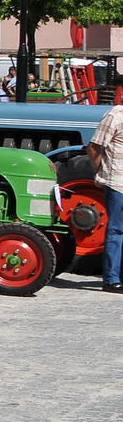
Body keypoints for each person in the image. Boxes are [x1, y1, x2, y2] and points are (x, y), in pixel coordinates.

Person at [86, 100, 123, 291]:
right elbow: (93, 147)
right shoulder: (115, 115)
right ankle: (112, 279)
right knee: (117, 230)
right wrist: (101, 171)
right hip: (118, 182)